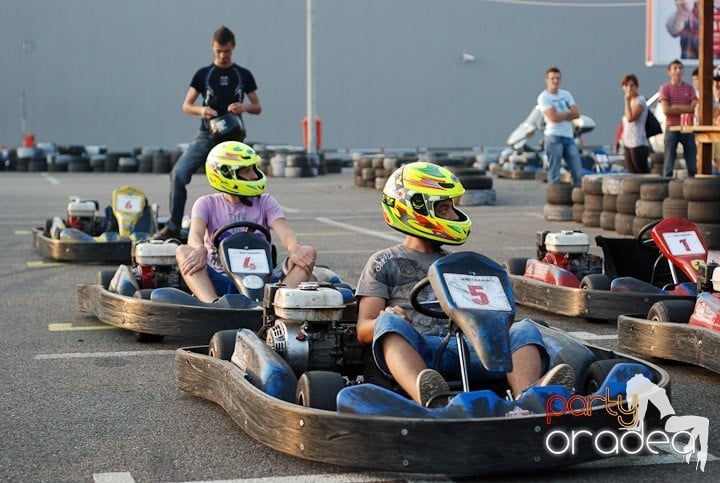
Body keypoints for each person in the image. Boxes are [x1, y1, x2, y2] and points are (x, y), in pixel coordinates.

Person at [355, 161, 575, 407]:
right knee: (388, 323)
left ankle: (529, 400)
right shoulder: (384, 262)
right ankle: (429, 397)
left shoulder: (457, 262)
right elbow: (363, 328)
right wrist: (387, 316)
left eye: (451, 208)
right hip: (420, 349)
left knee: (523, 330)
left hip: (471, 348)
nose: (453, 216)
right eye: (445, 209)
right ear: (416, 209)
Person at [153, 25, 262, 240]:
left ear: (233, 48)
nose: (223, 55)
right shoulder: (203, 74)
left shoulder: (243, 74)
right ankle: (174, 226)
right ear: (213, 47)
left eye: (227, 51)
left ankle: (250, 227)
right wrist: (201, 110)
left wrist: (245, 107)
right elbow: (186, 105)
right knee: (178, 174)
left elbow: (258, 107)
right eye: (219, 51)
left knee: (249, 180)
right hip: (206, 134)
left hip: (234, 138)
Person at [176, 141, 315, 303]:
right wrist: (199, 249)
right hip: (220, 279)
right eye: (247, 171)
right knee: (183, 251)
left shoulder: (265, 202)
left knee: (308, 252)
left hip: (263, 281)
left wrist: (295, 248)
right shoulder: (206, 203)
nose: (254, 176)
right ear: (226, 174)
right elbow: (195, 234)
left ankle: (275, 304)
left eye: (254, 169)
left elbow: (286, 234)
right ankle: (213, 305)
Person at [537, 66, 583, 186]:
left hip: (568, 137)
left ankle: (576, 198)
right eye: (552, 78)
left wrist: (560, 114)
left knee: (578, 171)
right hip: (553, 137)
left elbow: (577, 113)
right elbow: (553, 118)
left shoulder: (566, 94)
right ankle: (555, 200)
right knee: (555, 173)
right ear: (547, 80)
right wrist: (568, 112)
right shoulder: (544, 97)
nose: (555, 81)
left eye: (558, 78)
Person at [660, 59, 697, 178]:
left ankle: (694, 185)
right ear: (669, 72)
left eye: (680, 68)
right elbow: (666, 110)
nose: (678, 71)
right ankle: (666, 184)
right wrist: (685, 108)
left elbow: (693, 108)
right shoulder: (665, 88)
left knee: (692, 160)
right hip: (671, 127)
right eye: (675, 68)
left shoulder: (690, 88)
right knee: (669, 160)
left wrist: (675, 107)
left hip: (687, 128)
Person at [620, 74, 650, 174]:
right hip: (627, 142)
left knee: (641, 171)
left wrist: (627, 101)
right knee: (631, 172)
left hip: (638, 142)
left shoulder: (640, 100)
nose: (629, 88)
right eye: (626, 85)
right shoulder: (629, 101)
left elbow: (630, 118)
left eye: (632, 85)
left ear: (636, 86)